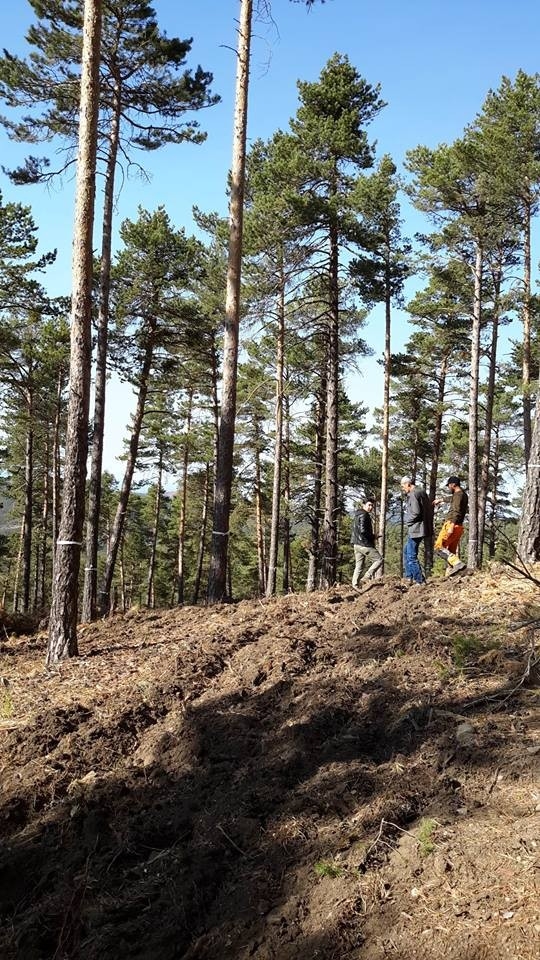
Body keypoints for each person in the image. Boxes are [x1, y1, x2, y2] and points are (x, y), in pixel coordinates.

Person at [400, 476, 434, 584]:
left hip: (416, 529)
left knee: (411, 555)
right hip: (422, 528)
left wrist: (408, 522)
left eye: (403, 486)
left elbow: (416, 512)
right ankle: (409, 577)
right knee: (406, 551)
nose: (403, 489)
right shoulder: (422, 492)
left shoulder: (414, 494)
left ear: (408, 484)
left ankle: (419, 580)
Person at [433, 476, 468, 577]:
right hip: (459, 527)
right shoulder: (462, 495)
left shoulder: (458, 495)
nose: (448, 487)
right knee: (451, 551)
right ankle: (452, 573)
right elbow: (452, 499)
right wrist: (441, 500)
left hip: (452, 524)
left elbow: (456, 510)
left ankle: (457, 564)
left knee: (438, 547)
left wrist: (451, 525)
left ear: (453, 485)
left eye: (449, 485)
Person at [350, 497, 383, 588]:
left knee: (359, 566)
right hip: (364, 544)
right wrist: (374, 536)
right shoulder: (364, 515)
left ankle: (355, 585)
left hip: (356, 544)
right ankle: (366, 578)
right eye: (369, 505)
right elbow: (363, 531)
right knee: (379, 559)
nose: (371, 507)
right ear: (363, 505)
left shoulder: (357, 515)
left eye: (372, 505)